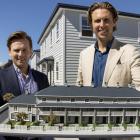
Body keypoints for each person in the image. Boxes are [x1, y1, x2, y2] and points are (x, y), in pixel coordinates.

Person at [77, 1, 140, 90]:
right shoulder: (84, 54)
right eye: (97, 21)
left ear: (114, 22)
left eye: (106, 20)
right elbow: (79, 88)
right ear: (91, 24)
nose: (102, 25)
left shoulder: (131, 52)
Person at [0, 31, 49, 140]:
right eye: (16, 50)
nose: (21, 54)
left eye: (24, 50)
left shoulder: (42, 79)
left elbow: (46, 111)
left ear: (30, 52)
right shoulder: (1, 77)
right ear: (9, 52)